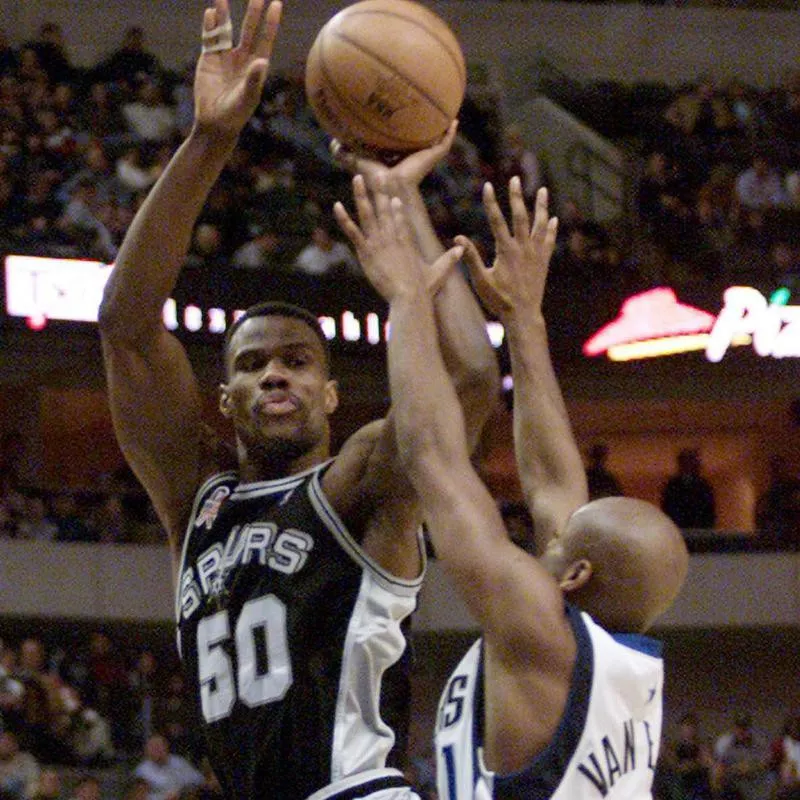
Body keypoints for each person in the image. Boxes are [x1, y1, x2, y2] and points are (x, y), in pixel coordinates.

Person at [96, 1, 498, 798]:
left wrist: (398, 201)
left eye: (296, 362)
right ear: (224, 396)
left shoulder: (363, 483)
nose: (275, 374)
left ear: (330, 393)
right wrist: (209, 140)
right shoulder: (196, 503)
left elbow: (469, 381)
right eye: (252, 365)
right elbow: (127, 325)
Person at [334, 176, 689, 798]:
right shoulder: (616, 659)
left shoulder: (541, 631)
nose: (550, 525)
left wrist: (408, 303)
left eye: (563, 537)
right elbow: (553, 481)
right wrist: (523, 317)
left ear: (574, 575)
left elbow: (433, 458)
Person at [661, 448, 716, 530]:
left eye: (692, 461)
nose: (689, 465)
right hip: (678, 529)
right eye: (686, 461)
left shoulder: (703, 486)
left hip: (700, 531)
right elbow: (668, 508)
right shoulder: (672, 485)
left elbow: (709, 511)